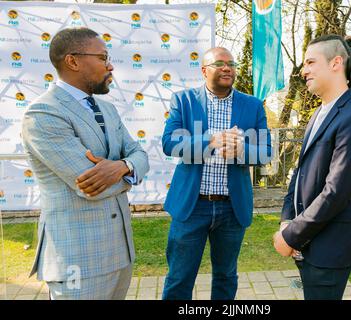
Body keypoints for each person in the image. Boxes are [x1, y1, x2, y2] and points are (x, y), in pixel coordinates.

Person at [22, 27, 149, 300]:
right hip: (77, 261)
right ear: (73, 61)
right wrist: (132, 169)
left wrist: (122, 166)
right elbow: (91, 185)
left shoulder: (108, 109)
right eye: (103, 57)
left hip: (120, 253)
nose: (111, 65)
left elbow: (140, 154)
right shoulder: (43, 114)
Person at [161, 47, 272, 300]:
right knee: (179, 278)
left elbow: (265, 152)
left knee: (225, 276)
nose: (227, 68)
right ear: (204, 70)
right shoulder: (183, 100)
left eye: (231, 63)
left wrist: (242, 148)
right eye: (219, 63)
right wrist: (211, 140)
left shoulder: (252, 106)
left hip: (231, 209)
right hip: (192, 206)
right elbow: (170, 143)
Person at [273, 34, 351, 300]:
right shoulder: (318, 114)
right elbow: (299, 174)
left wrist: (291, 236)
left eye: (310, 62)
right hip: (307, 244)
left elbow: (336, 192)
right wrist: (287, 220)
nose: (303, 70)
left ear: (336, 63)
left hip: (330, 249)